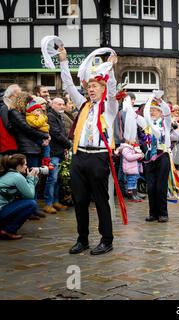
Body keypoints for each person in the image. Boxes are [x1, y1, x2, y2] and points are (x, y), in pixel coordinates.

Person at [59, 46, 121, 255]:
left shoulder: (110, 108)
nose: (91, 89)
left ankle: (107, 239)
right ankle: (82, 239)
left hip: (98, 157)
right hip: (79, 155)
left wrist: (110, 68)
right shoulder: (83, 104)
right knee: (80, 199)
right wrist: (64, 62)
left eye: (95, 86)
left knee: (101, 199)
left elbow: (112, 92)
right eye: (89, 87)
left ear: (102, 88)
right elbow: (68, 85)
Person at [139, 96, 177, 223]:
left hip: (163, 156)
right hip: (150, 158)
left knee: (161, 186)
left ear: (160, 112)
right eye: (151, 110)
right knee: (150, 187)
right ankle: (153, 213)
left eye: (155, 110)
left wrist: (161, 101)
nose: (152, 112)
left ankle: (163, 213)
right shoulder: (147, 124)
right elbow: (136, 118)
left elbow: (167, 112)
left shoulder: (165, 124)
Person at [43, 98, 72, 214]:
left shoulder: (59, 116)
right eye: (59, 104)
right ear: (52, 105)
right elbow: (56, 134)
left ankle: (55, 201)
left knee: (59, 178)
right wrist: (69, 144)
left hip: (60, 151)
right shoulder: (50, 116)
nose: (61, 106)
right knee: (52, 178)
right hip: (53, 152)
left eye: (62, 104)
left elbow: (63, 133)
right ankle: (48, 203)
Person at [0, 154, 39, 239]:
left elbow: (25, 194)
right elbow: (30, 196)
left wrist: (33, 179)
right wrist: (30, 178)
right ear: (18, 166)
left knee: (25, 203)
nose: (26, 166)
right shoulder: (17, 177)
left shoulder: (6, 172)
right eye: (25, 164)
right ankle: (8, 230)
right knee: (31, 204)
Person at [24, 97, 54, 171]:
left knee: (47, 149)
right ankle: (46, 163)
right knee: (46, 148)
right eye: (37, 110)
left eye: (39, 110)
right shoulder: (30, 117)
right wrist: (41, 117)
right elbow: (37, 124)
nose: (39, 112)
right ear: (31, 111)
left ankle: (47, 162)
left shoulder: (37, 116)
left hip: (44, 133)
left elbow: (45, 120)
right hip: (39, 136)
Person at [0, 87, 18, 156]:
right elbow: (7, 126)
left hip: (8, 142)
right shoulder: (5, 107)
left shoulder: (7, 106)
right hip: (7, 142)